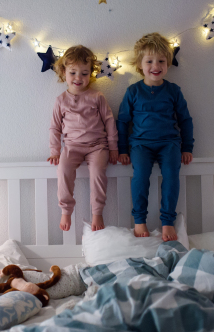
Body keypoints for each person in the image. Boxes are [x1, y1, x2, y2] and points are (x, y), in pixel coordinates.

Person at [117, 33, 194, 241]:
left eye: (161, 61)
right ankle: (139, 219)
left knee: (171, 176)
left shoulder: (173, 91)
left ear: (168, 63)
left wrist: (187, 147)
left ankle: (167, 221)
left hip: (169, 144)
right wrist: (122, 150)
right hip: (141, 145)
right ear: (140, 65)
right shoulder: (133, 91)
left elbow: (185, 120)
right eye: (149, 61)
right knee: (140, 176)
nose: (156, 65)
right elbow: (123, 121)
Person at [48, 45, 119, 232]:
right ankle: (66, 210)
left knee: (97, 172)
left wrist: (113, 148)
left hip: (97, 147)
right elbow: (55, 127)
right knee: (63, 169)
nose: (78, 78)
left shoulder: (97, 96)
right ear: (64, 72)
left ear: (91, 74)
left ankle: (97, 212)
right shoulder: (61, 100)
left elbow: (109, 121)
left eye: (84, 73)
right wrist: (55, 151)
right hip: (72, 147)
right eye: (73, 72)